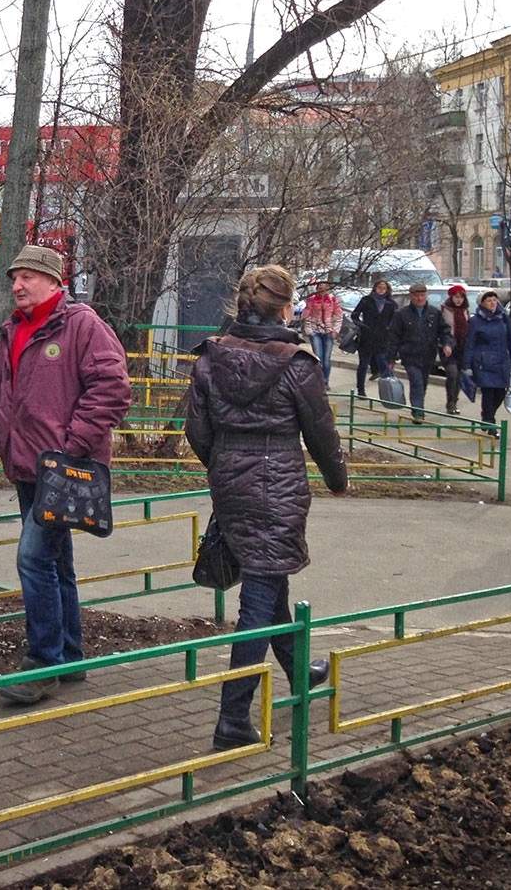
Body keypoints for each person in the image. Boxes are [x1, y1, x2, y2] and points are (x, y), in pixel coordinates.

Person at [0, 245, 131, 705]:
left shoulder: (82, 326)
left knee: (34, 559)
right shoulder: (11, 331)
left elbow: (112, 388)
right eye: (14, 278)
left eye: (28, 277)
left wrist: (71, 447)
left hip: (64, 470)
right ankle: (70, 656)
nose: (17, 286)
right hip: (28, 470)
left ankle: (44, 662)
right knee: (56, 562)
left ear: (55, 283)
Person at [184, 265, 348, 750]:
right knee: (257, 603)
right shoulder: (297, 364)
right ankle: (233, 719)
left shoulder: (211, 357)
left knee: (269, 583)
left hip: (231, 481)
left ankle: (301, 674)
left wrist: (223, 464)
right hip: (278, 485)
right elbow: (321, 431)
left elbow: (197, 430)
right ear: (284, 307)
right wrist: (338, 479)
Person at [390, 283, 454, 422]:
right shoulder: (402, 314)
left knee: (423, 382)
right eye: (416, 296)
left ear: (426, 296)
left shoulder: (434, 312)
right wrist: (391, 358)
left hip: (427, 355)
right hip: (410, 355)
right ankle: (418, 412)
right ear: (411, 297)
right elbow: (394, 336)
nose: (419, 298)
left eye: (422, 295)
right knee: (416, 381)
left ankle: (418, 407)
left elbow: (444, 331)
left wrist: (447, 344)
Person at [466, 291, 511, 425]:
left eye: (495, 300)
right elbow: (470, 343)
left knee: (500, 394)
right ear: (482, 303)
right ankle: (490, 424)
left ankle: (487, 416)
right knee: (488, 394)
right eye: (489, 300)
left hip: (501, 363)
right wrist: (467, 365)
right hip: (484, 364)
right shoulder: (475, 321)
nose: (492, 303)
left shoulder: (503, 318)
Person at [351, 277, 397, 397]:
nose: (381, 290)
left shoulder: (391, 304)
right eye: (379, 287)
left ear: (387, 290)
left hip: (382, 339)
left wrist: (389, 328)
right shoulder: (366, 300)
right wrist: (362, 326)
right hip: (366, 338)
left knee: (383, 363)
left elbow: (395, 320)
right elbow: (354, 315)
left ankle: (390, 392)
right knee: (363, 364)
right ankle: (361, 390)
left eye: (384, 288)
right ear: (375, 288)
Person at [302, 280, 343, 387]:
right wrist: (309, 331)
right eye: (320, 288)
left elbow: (339, 316)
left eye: (325, 288)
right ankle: (318, 381)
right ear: (317, 289)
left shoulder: (333, 300)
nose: (322, 291)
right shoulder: (311, 300)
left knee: (326, 359)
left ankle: (325, 381)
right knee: (318, 357)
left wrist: (335, 330)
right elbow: (307, 316)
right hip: (315, 331)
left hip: (328, 332)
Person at [440, 284, 471, 414]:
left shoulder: (465, 311)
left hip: (462, 348)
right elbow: (441, 329)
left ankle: (453, 402)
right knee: (452, 374)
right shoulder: (444, 310)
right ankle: (450, 401)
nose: (459, 300)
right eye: (456, 297)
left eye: (461, 297)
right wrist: (444, 344)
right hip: (448, 347)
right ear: (451, 297)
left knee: (458, 376)